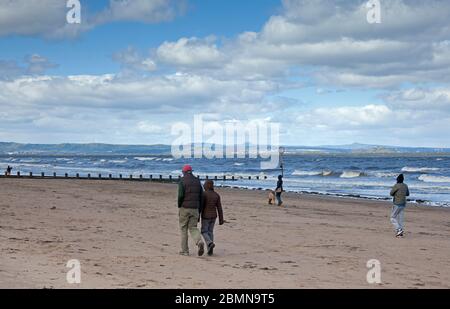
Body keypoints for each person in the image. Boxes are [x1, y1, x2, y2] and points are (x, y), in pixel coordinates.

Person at [177, 164, 205, 256]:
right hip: (195, 208)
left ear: (184, 172)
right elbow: (201, 197)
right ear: (191, 171)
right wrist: (199, 210)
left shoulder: (182, 181)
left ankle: (185, 251)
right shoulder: (197, 181)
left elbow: (180, 195)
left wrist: (179, 205)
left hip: (185, 208)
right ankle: (199, 241)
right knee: (193, 227)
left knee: (183, 228)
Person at [200, 180, 224, 256]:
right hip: (214, 216)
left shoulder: (204, 194)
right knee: (210, 232)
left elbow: (201, 207)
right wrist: (221, 219)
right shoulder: (216, 195)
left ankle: (209, 243)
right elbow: (219, 208)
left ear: (206, 186)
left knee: (204, 231)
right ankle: (210, 250)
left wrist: (197, 216)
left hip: (205, 216)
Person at [390, 174, 410, 238]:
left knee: (392, 217)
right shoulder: (405, 185)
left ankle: (399, 229)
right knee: (400, 219)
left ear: (397, 179)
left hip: (397, 203)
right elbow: (407, 194)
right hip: (403, 204)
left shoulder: (396, 185)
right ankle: (400, 233)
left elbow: (391, 193)